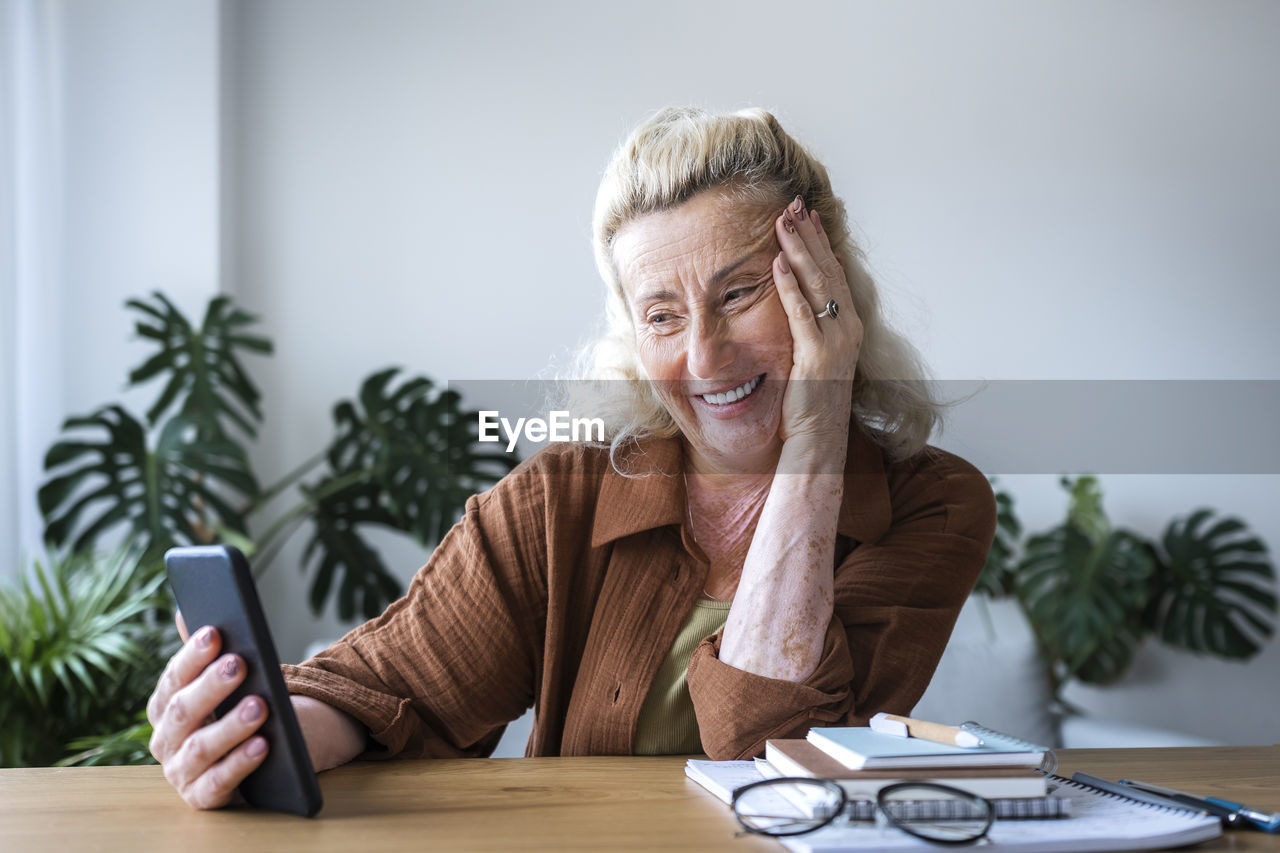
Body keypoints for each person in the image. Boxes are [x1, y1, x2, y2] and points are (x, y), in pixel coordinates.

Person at [146, 106, 996, 810]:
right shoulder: (567, 492)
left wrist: (817, 434)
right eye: (662, 316)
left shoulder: (933, 503)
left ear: (825, 286)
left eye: (738, 294)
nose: (703, 358)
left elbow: (777, 763)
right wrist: (257, 725)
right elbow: (395, 682)